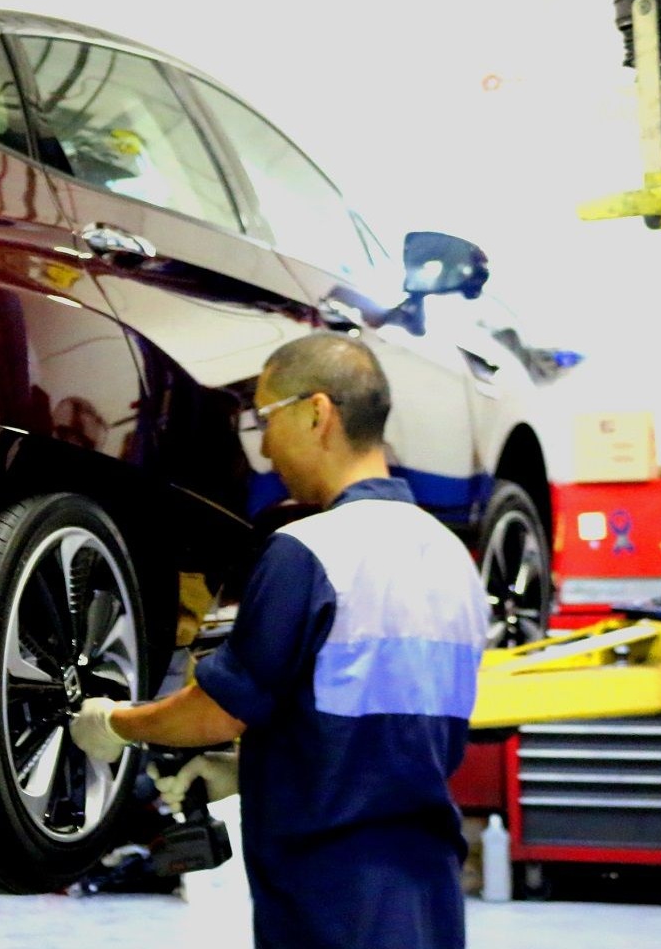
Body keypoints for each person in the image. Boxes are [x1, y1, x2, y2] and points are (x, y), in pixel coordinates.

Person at [71, 332, 486, 949]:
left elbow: (214, 714)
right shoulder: (454, 561)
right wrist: (256, 762)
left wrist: (116, 723)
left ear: (317, 413)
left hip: (328, 891)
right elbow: (379, 712)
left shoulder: (310, 551)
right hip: (428, 883)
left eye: (264, 419)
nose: (263, 448)